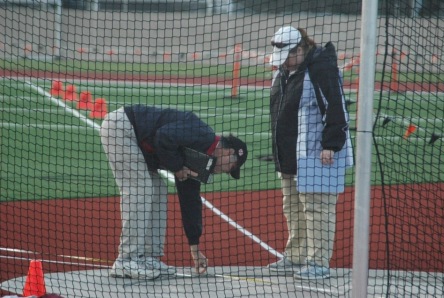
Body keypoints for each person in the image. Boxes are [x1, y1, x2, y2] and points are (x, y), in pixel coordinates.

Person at [100, 104, 248, 280]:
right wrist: (177, 167)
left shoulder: (202, 161)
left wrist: (195, 250)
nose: (225, 172)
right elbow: (163, 137)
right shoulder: (202, 135)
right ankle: (125, 260)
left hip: (134, 139)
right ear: (228, 152)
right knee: (141, 189)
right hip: (122, 129)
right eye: (230, 168)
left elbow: (190, 201)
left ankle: (148, 257)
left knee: (158, 189)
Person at [266, 26, 353, 279]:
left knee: (317, 208)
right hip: (289, 155)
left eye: (287, 58)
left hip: (317, 154)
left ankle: (318, 263)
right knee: (292, 206)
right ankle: (296, 256)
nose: (283, 64)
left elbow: (336, 109)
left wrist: (330, 145)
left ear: (300, 49)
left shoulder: (321, 70)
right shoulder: (284, 73)